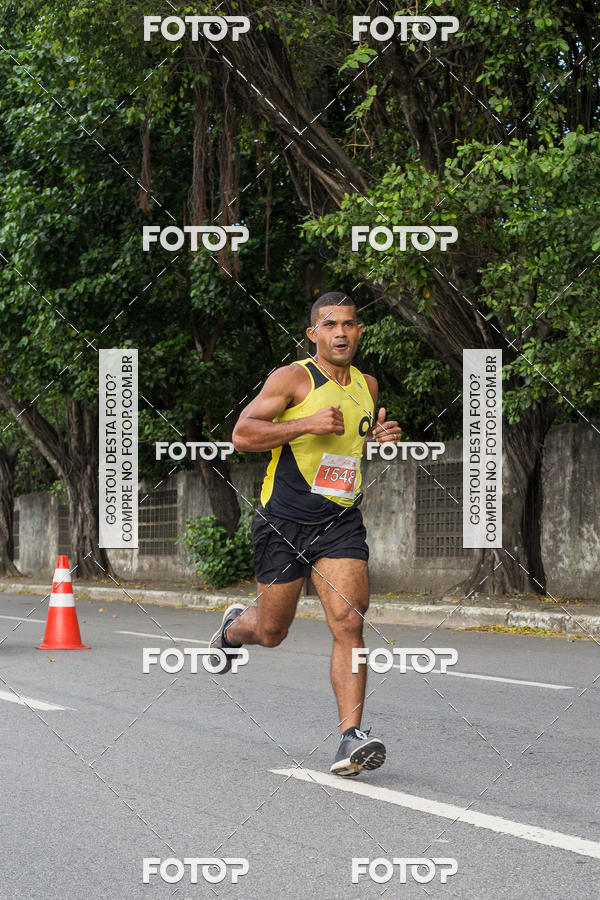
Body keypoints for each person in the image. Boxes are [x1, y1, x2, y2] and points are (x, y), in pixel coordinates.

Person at [209, 291, 402, 776]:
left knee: (350, 622)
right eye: (330, 324)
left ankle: (350, 738)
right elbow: (242, 434)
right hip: (283, 521)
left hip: (339, 522)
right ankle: (234, 630)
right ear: (313, 333)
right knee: (271, 632)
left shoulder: (368, 386)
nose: (341, 332)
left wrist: (378, 441)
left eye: (350, 324)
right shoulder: (293, 378)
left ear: (359, 331)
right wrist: (305, 424)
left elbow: (348, 448)